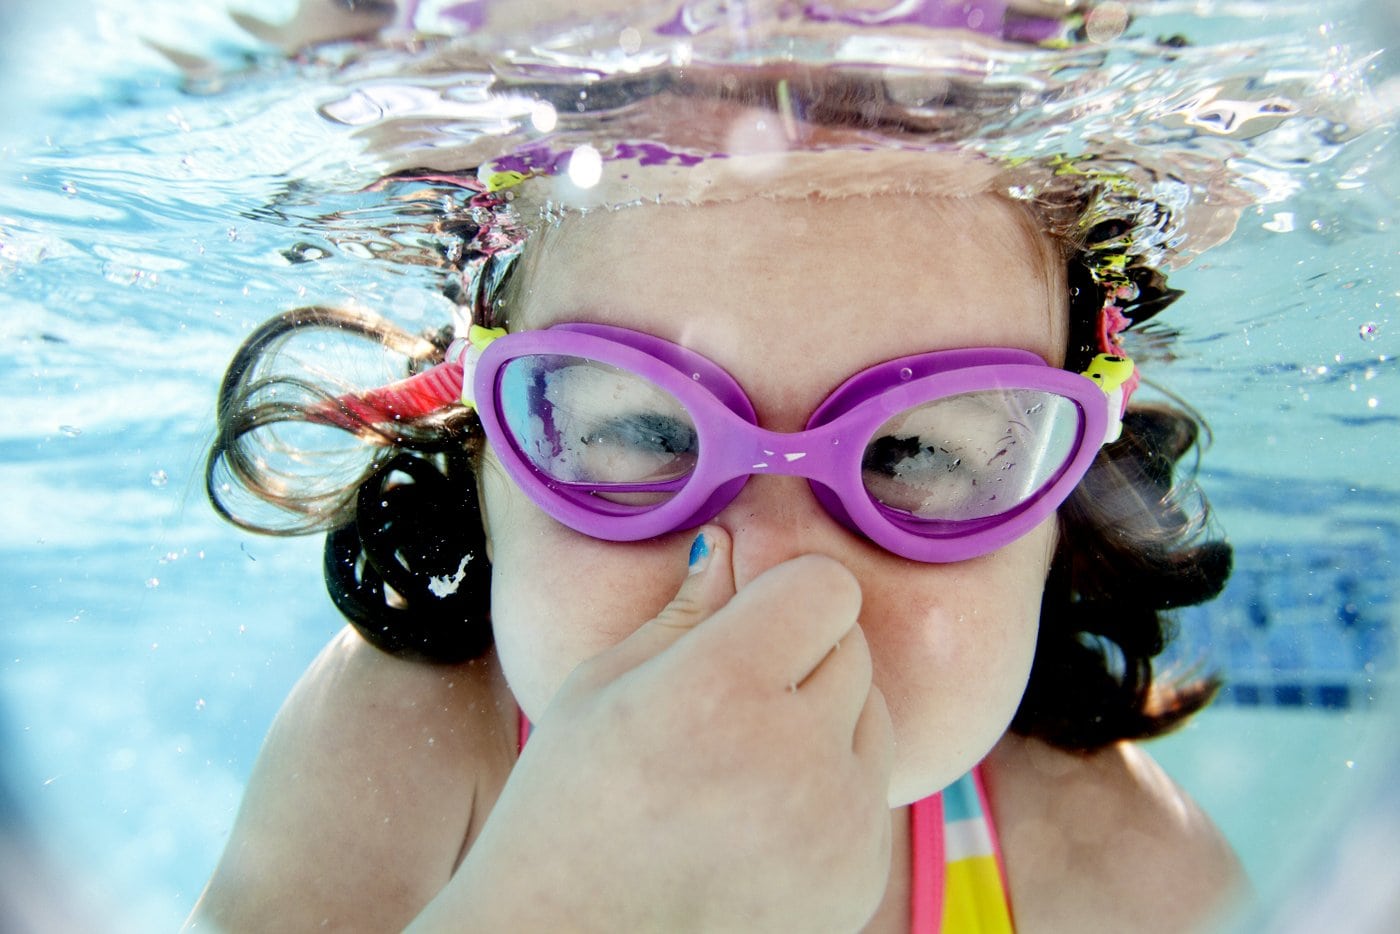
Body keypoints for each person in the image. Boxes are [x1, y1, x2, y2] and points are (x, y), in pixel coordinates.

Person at [185, 74, 1244, 932]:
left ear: (1063, 506)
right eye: (650, 433)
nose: (775, 570)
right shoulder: (406, 746)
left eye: (914, 450)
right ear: (483, 463)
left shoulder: (1122, 876)